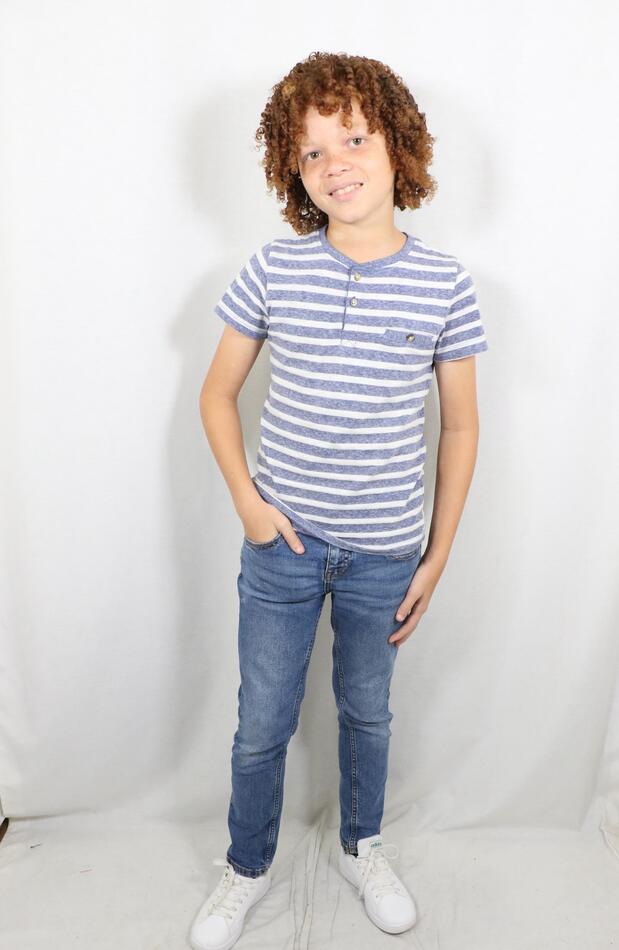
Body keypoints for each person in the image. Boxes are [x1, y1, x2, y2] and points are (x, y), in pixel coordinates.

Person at [190, 51, 489, 950]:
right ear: (293, 170)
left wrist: (436, 555)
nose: (335, 164)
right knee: (261, 722)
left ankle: (363, 847)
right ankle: (246, 867)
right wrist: (248, 504)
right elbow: (215, 395)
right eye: (312, 151)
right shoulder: (273, 269)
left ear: (398, 145)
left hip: (385, 557)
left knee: (367, 713)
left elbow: (460, 427)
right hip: (280, 546)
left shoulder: (444, 284)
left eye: (353, 139)